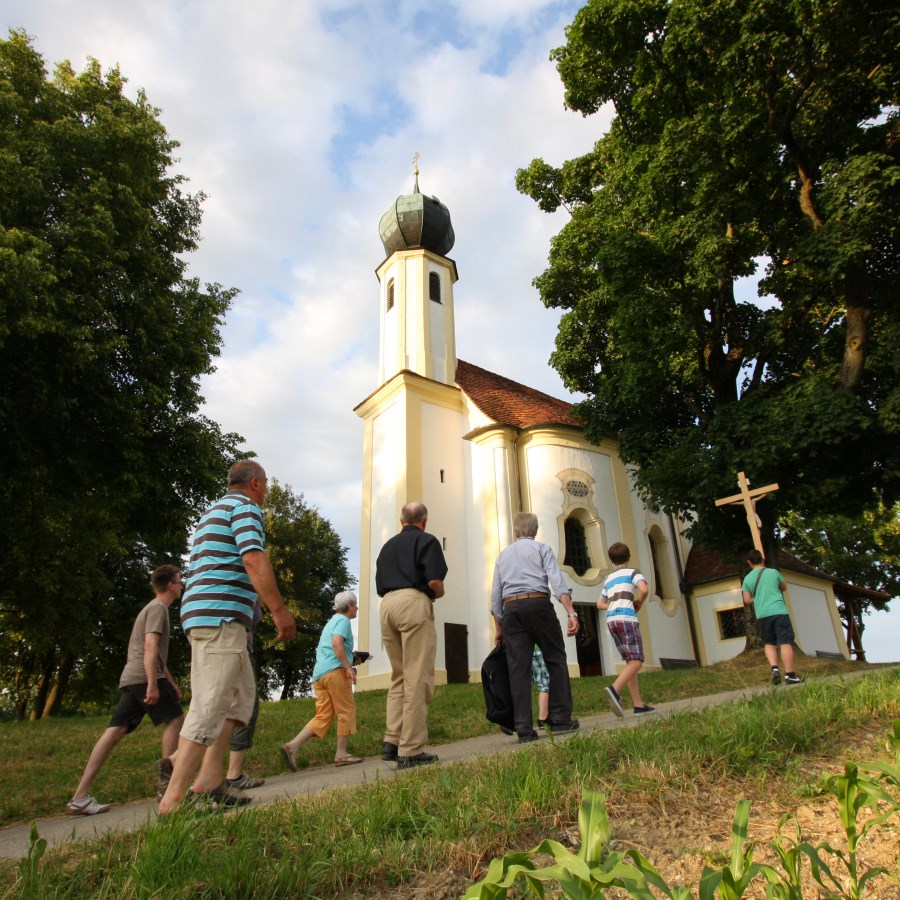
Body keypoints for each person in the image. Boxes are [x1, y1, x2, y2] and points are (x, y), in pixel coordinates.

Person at [157, 460, 297, 814]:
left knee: (240, 700)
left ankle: (210, 779)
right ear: (254, 483)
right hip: (218, 619)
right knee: (212, 703)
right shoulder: (245, 507)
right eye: (265, 483)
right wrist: (280, 612)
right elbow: (253, 559)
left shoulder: (213, 511)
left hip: (213, 616)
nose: (265, 490)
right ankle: (174, 799)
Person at [67, 565, 186, 816]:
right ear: (170, 585)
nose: (182, 584)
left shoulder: (150, 609)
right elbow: (150, 645)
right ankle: (168, 786)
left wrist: (169, 681)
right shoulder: (158, 609)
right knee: (175, 720)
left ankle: (79, 797)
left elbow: (154, 653)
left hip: (132, 677)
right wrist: (154, 683)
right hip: (145, 676)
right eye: (179, 580)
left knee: (114, 732)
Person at [491, 512, 580, 743]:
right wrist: (571, 612)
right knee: (556, 658)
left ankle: (523, 727)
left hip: (511, 609)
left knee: (518, 668)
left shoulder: (502, 555)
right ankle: (560, 718)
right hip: (539, 604)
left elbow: (494, 597)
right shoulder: (542, 549)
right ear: (535, 530)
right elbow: (557, 582)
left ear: (515, 531)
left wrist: (499, 626)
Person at [376, 501, 448, 769]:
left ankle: (392, 740)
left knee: (399, 676)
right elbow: (433, 581)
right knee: (418, 676)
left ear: (401, 520)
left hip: (387, 605)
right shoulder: (427, 541)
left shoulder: (387, 546)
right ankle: (411, 748)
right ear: (424, 521)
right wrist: (439, 593)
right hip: (413, 601)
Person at [279, 591, 363, 770]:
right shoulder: (343, 621)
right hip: (335, 673)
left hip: (320, 675)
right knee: (346, 711)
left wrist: (353, 659)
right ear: (349, 606)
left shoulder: (331, 622)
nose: (357, 608)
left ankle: (292, 747)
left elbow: (331, 648)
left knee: (323, 715)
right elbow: (337, 643)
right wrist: (349, 668)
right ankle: (341, 754)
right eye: (355, 604)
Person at [598, 542, 655, 718]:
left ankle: (638, 705)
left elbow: (600, 604)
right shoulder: (633, 572)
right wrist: (638, 601)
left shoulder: (608, 579)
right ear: (629, 557)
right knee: (637, 661)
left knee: (630, 662)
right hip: (627, 618)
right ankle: (615, 690)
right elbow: (644, 589)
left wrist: (613, 605)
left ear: (612, 561)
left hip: (612, 620)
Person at [741, 549, 803, 685]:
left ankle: (774, 668)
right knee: (785, 642)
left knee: (769, 643)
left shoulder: (747, 579)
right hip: (778, 611)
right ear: (762, 559)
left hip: (762, 614)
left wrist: (757, 598)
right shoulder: (773, 572)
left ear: (749, 562)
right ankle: (790, 674)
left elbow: (747, 600)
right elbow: (783, 587)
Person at [224, 599, 265, 791]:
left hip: (227, 644)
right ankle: (233, 774)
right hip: (236, 646)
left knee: (217, 708)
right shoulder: (245, 586)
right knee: (245, 708)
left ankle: (180, 766)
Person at [532, 649, 550, 727]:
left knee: (523, 685)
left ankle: (513, 718)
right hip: (539, 648)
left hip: (523, 650)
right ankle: (543, 719)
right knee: (544, 683)